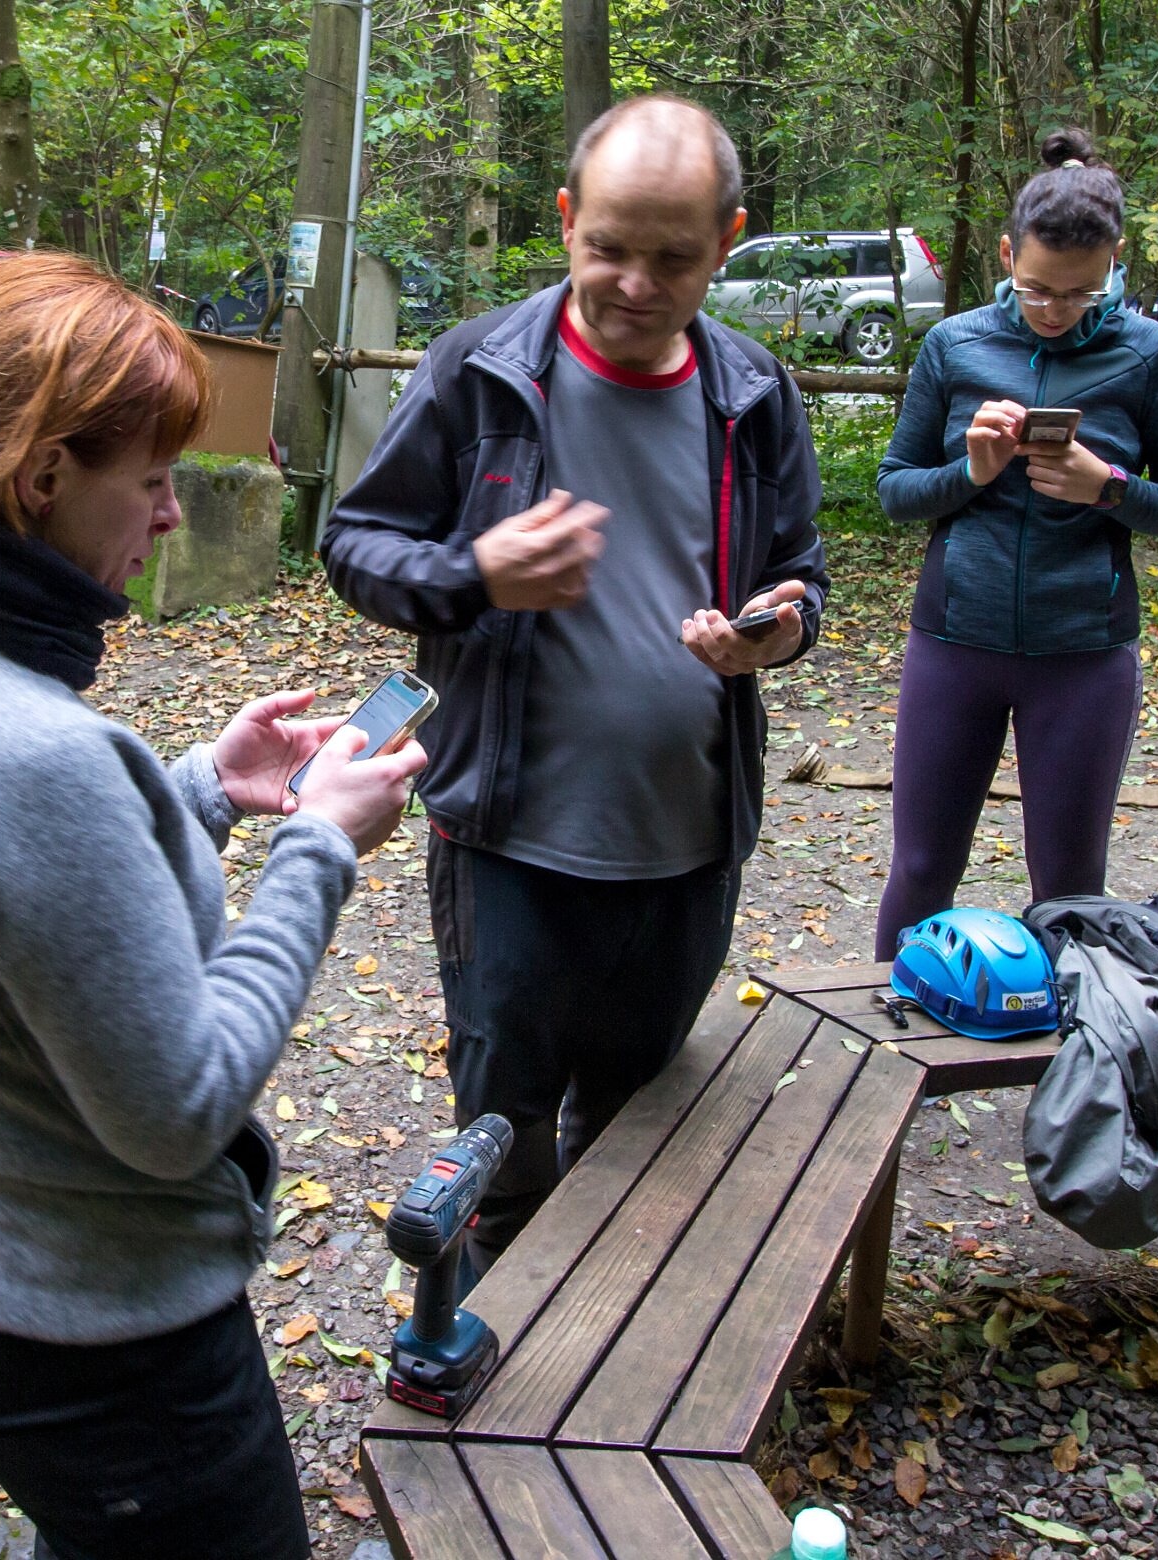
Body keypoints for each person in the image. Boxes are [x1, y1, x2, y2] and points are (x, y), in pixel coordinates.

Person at [0, 252, 422, 1559]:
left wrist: (199, 786)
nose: (166, 518)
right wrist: (318, 848)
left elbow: (11, 921)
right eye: (147, 481)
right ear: (42, 480)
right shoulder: (21, 752)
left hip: (1, 1278)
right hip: (113, 1353)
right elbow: (179, 1109)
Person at [320, 95, 829, 1265]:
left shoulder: (753, 393)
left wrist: (773, 638)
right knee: (501, 1145)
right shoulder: (478, 372)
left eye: (673, 257)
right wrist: (475, 572)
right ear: (564, 221)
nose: (636, 284)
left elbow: (799, 577)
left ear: (728, 240)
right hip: (507, 847)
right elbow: (354, 546)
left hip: (685, 847)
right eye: (608, 247)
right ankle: (493, 1363)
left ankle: (605, 1362)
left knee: (642, 1135)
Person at [872, 127, 1158, 959]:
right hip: (955, 642)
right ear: (1004, 255)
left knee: (1068, 887)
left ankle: (1072, 1074)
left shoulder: (1151, 354)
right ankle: (879, 1051)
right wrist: (973, 471)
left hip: (1084, 655)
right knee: (921, 867)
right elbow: (893, 492)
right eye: (1035, 292)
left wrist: (1110, 488)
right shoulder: (956, 344)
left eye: (1081, 294)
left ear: (1116, 262)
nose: (1057, 313)